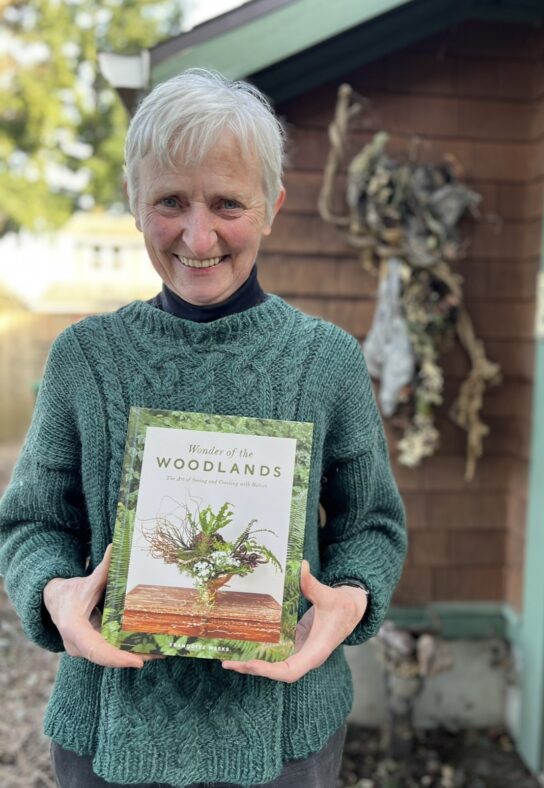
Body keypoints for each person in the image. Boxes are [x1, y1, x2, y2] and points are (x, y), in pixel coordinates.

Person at [0, 69, 407, 788]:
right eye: (170, 201)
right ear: (133, 203)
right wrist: (52, 592)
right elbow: (32, 522)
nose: (198, 234)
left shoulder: (327, 362)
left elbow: (371, 524)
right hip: (108, 736)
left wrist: (351, 597)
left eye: (227, 203)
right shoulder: (84, 361)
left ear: (272, 207)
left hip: (286, 738)